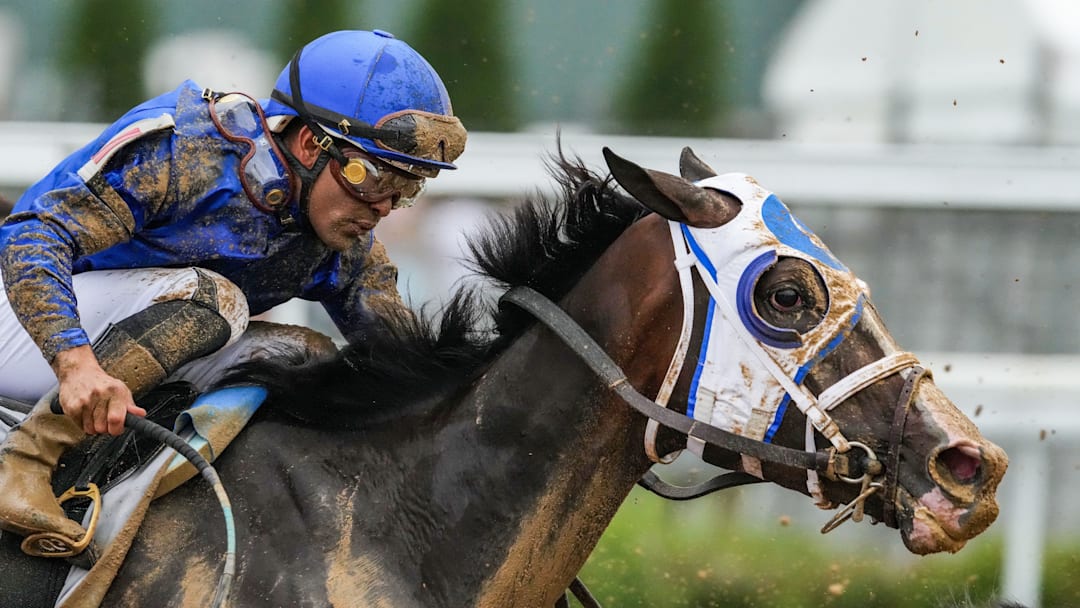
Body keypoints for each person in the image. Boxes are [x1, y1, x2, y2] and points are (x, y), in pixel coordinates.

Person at [0, 29, 466, 559]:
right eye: (375, 177)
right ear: (311, 144)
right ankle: (27, 460)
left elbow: (406, 360)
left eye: (407, 188)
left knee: (304, 357)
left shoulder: (345, 243)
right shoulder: (183, 149)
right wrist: (76, 364)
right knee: (217, 300)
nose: (383, 207)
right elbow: (31, 237)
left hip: (121, 342)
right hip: (20, 323)